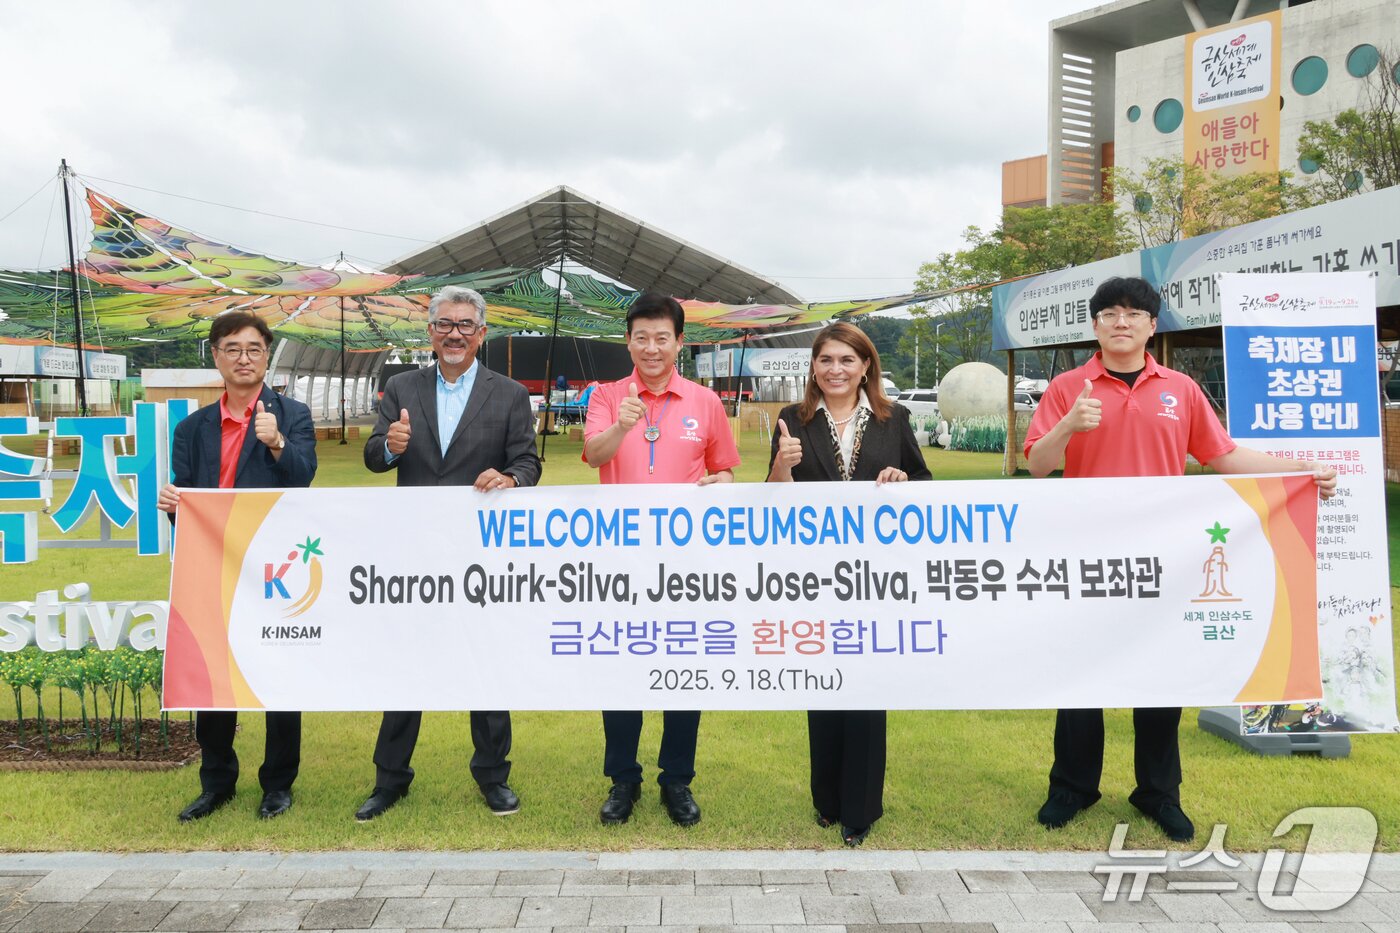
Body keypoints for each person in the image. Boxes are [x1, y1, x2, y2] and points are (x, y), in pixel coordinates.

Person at [1024, 275, 1337, 843]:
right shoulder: (1069, 386)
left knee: (1161, 676)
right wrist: (1069, 425)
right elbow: (1038, 465)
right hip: (1086, 555)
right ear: (1095, 325)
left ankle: (1158, 793)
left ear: (1151, 324)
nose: (1122, 322)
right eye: (1110, 314)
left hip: (1165, 558)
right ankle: (1072, 787)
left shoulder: (1181, 389)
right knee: (1080, 676)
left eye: (1133, 313)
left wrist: (1298, 472)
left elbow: (1225, 455)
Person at [357, 285, 541, 822]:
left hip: (481, 558)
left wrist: (509, 477)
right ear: (430, 331)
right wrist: (389, 448)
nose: (454, 333)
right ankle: (389, 779)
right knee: (406, 667)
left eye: (465, 325)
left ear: (481, 333)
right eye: (445, 324)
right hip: (415, 558)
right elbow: (373, 455)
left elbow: (528, 463)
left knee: (485, 666)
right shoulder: (400, 387)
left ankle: (492, 776)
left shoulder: (508, 393)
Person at [766, 322, 931, 847]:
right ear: (813, 366)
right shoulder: (793, 420)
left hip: (875, 576)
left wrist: (904, 482)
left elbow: (925, 485)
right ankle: (826, 801)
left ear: (865, 366)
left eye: (846, 360)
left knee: (865, 689)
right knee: (823, 685)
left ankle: (860, 809)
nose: (835, 369)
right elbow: (771, 500)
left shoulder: (893, 418)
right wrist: (780, 469)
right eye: (826, 360)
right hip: (812, 575)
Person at [583, 292, 739, 826]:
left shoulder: (705, 401)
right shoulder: (606, 396)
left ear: (679, 342)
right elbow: (595, 456)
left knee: (682, 668)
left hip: (686, 564)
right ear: (628, 340)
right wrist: (623, 424)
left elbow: (724, 471)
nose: (651, 347)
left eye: (662, 337)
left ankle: (677, 780)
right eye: (641, 337)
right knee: (622, 669)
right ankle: (622, 780)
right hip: (619, 561)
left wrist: (720, 481)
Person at [158, 311, 317, 822]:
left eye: (253, 349)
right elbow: (191, 501)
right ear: (216, 356)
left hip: (272, 568)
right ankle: (217, 781)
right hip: (213, 566)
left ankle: (277, 784)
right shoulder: (192, 428)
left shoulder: (291, 415)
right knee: (212, 675)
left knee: (278, 673)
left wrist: (276, 443)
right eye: (232, 348)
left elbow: (303, 478)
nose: (243, 358)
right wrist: (175, 506)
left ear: (266, 355)